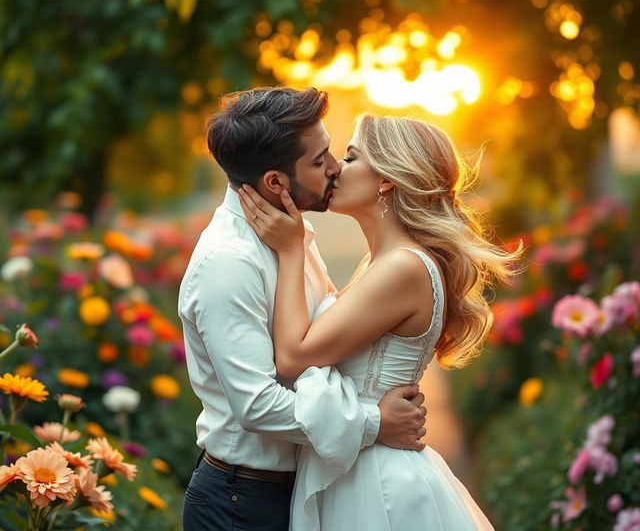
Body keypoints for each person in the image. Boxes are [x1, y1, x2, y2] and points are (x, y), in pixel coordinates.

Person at [238, 113, 522, 531]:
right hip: (359, 466)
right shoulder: (380, 263)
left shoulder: (404, 267)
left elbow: (294, 357)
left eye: (351, 157)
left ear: (386, 179)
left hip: (376, 485)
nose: (334, 168)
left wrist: (291, 249)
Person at [179, 88, 428, 531]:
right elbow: (257, 404)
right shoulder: (229, 262)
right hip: (243, 501)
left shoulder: (294, 236)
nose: (335, 167)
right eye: (320, 160)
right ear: (276, 182)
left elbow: (325, 340)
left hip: (296, 489)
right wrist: (375, 422)